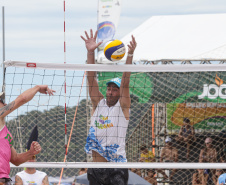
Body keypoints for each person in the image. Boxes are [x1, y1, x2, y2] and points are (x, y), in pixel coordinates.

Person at [81, 29, 136, 185]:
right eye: (109, 88)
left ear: (120, 92)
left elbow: (125, 82)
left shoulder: (123, 106)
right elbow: (91, 79)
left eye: (114, 89)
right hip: (96, 167)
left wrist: (130, 56)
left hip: (116, 166)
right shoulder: (99, 103)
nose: (110, 92)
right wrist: (90, 53)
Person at [0, 85, 55, 184]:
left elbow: (16, 159)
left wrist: (31, 152)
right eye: (2, 101)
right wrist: (38, 87)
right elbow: (22, 99)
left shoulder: (6, 133)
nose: (6, 104)